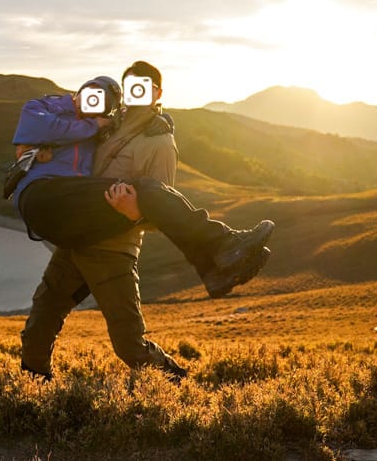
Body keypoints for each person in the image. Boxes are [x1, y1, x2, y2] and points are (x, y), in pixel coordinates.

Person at [17, 61, 273, 381]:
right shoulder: (107, 122)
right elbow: (66, 142)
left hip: (113, 248)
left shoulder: (160, 142)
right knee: (40, 321)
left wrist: (134, 212)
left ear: (157, 93)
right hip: (79, 235)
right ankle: (31, 390)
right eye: (131, 87)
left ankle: (178, 383)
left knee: (129, 344)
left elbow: (163, 210)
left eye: (144, 87)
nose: (136, 94)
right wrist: (38, 150)